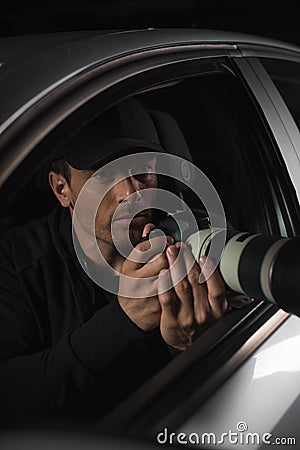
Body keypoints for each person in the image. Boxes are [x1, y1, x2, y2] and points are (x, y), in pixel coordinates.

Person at [0, 97, 229, 427]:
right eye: (105, 175)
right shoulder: (18, 259)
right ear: (62, 188)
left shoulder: (193, 238)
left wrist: (187, 347)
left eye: (144, 170)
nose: (131, 193)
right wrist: (123, 320)